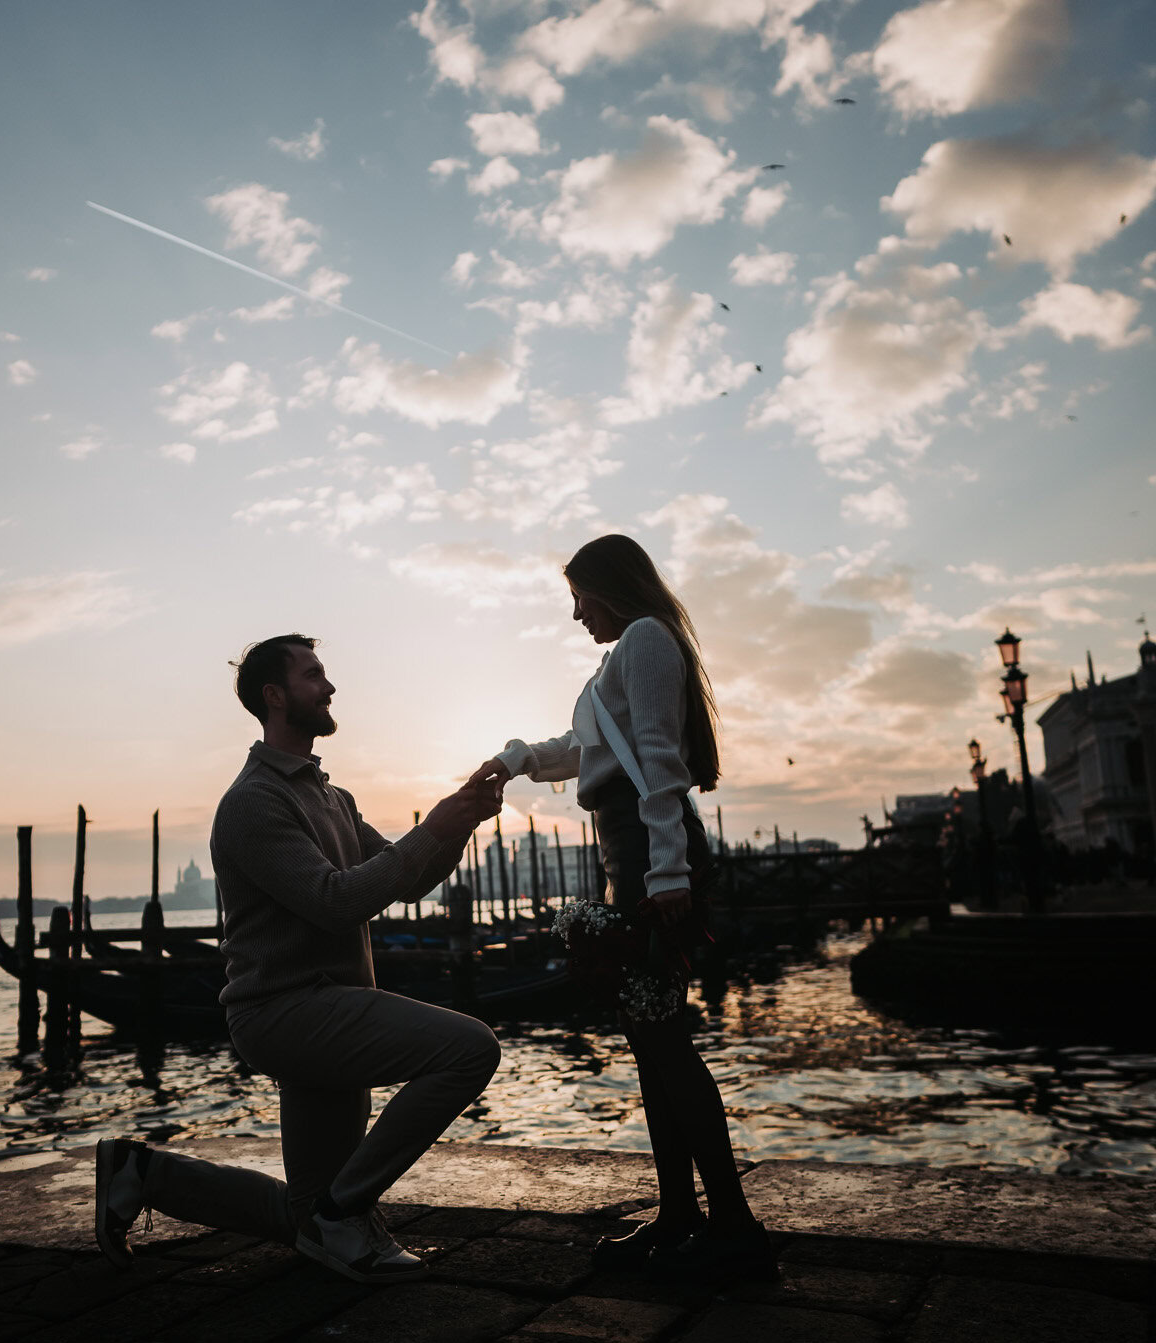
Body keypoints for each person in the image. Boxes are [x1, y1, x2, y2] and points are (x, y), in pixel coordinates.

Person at [95, 634, 503, 1283]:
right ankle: (347, 1215)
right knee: (470, 1049)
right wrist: (434, 828)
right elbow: (336, 903)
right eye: (314, 676)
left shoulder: (331, 797)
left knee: (305, 1215)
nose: (330, 687)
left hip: (331, 1008)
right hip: (285, 1012)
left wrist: (460, 826)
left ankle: (141, 1172)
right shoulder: (254, 802)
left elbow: (407, 881)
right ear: (275, 696)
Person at [470, 535, 774, 1287]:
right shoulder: (624, 654)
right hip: (628, 853)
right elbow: (588, 747)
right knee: (649, 1039)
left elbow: (660, 759)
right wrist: (514, 761)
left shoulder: (644, 639)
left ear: (607, 587)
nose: (575, 613)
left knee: (665, 1041)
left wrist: (667, 870)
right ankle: (679, 1218)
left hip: (646, 852)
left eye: (578, 595)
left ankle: (732, 1226)